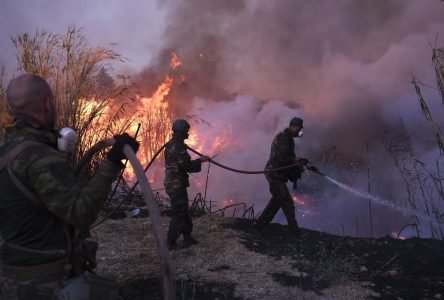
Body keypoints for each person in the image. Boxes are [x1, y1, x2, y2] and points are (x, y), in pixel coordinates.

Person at [0, 74, 139, 299]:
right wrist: (111, 164)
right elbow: (81, 212)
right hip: (42, 283)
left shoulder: (6, 152)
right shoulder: (40, 158)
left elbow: (33, 214)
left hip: (10, 279)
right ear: (47, 104)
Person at [256, 117, 309, 236]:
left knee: (276, 202)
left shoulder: (289, 139)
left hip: (278, 175)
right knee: (287, 202)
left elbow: (289, 159)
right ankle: (295, 232)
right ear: (295, 127)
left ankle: (259, 226)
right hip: (274, 174)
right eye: (300, 129)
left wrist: (299, 164)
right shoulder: (284, 138)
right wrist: (297, 160)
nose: (300, 132)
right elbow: (281, 159)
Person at [164, 119, 209, 250]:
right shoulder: (177, 147)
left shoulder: (172, 144)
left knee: (184, 211)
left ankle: (187, 237)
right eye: (186, 131)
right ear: (183, 132)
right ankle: (170, 242)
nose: (187, 134)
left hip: (174, 183)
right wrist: (201, 160)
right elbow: (187, 166)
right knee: (179, 213)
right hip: (176, 184)